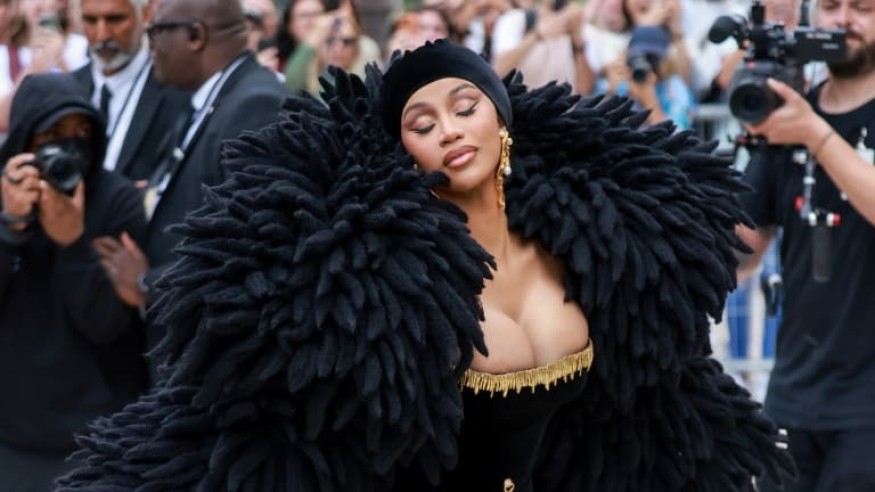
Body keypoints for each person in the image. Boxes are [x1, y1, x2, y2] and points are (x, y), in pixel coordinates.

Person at [57, 40, 793, 491]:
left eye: (465, 106)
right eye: (421, 122)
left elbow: (649, 398)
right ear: (402, 150)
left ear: (500, 119)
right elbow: (276, 428)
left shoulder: (588, 246)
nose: (448, 129)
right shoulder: (382, 283)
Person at [736, 0, 875, 489]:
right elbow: (744, 249)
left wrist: (815, 135)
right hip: (793, 395)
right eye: (831, 6)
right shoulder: (792, 116)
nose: (843, 20)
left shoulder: (803, 124)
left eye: (863, 8)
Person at [0, 72, 148, 491]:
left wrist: (72, 244)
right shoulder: (5, 192)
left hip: (97, 434)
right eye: (51, 135)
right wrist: (9, 228)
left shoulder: (116, 198)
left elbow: (107, 326)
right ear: (24, 141)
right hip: (11, 435)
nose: (67, 149)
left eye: (80, 133)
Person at [72, 0, 191, 182]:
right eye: (90, 20)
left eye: (115, 19)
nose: (102, 35)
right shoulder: (69, 88)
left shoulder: (179, 90)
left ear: (146, 15)